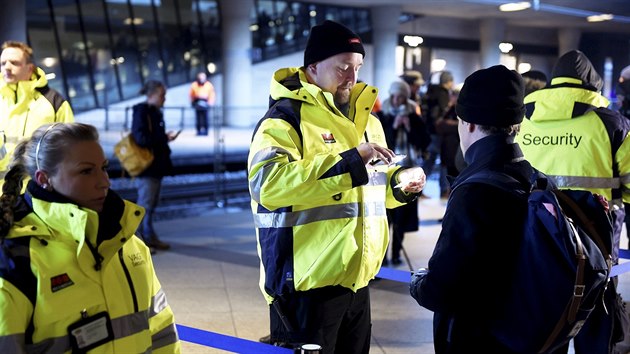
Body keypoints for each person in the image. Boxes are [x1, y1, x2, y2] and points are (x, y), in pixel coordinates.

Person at [247, 20, 426, 353]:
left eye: (357, 68)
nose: (353, 78)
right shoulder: (284, 120)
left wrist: (400, 185)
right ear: (312, 67)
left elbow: (372, 189)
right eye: (343, 67)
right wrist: (351, 162)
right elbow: (267, 185)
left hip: (358, 281)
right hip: (304, 287)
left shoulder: (368, 121)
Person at [0, 122, 180, 353]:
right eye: (86, 171)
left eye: (103, 168)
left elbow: (161, 330)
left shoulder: (127, 242)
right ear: (44, 178)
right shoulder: (16, 258)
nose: (104, 182)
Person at [410, 65, 536, 352]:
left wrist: (419, 283)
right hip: (524, 335)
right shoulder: (534, 179)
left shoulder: (476, 191)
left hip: (479, 338)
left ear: (467, 124)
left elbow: (442, 289)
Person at [516, 50, 630, 353]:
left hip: (534, 237)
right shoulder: (611, 122)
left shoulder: (522, 114)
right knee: (594, 323)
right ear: (592, 84)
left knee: (543, 326)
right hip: (596, 243)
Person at [0, 41, 74, 190]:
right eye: (3, 63)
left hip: (39, 195)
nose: (7, 67)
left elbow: (70, 149)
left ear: (30, 68)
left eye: (14, 63)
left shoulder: (54, 102)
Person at [376, 80, 430, 266]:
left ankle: (397, 252)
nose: (397, 100)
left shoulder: (413, 116)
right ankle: (381, 256)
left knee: (402, 216)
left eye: (401, 96)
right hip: (385, 171)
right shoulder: (382, 115)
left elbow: (424, 141)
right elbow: (380, 143)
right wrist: (393, 126)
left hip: (408, 171)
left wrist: (408, 127)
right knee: (383, 217)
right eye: (395, 96)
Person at [132, 80, 178, 251]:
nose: (164, 98)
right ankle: (139, 242)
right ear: (151, 95)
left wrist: (164, 137)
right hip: (147, 167)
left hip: (156, 165)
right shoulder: (142, 112)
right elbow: (141, 139)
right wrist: (164, 138)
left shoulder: (155, 112)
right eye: (162, 95)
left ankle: (149, 237)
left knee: (151, 204)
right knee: (144, 204)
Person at [422, 70, 454, 197]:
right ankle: (444, 190)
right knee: (443, 161)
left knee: (429, 161)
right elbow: (442, 113)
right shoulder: (443, 94)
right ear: (447, 81)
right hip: (439, 133)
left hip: (430, 132)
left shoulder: (431, 91)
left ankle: (417, 189)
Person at [189, 71, 216, 136]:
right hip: (197, 103)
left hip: (206, 103)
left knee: (205, 118)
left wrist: (210, 103)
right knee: (198, 118)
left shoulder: (209, 85)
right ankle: (198, 131)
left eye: (202, 78)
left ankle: (206, 131)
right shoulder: (194, 85)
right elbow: (191, 95)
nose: (201, 79)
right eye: (200, 78)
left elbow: (212, 94)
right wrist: (192, 102)